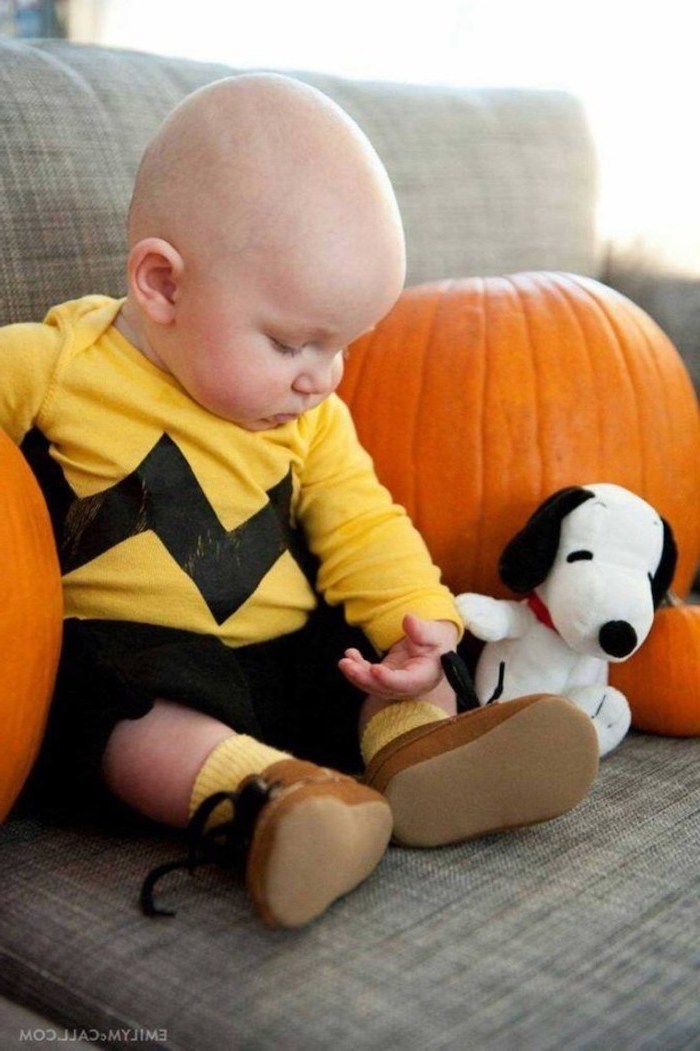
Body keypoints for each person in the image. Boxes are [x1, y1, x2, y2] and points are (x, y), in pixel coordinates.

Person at [0, 74, 599, 928]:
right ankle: (272, 803)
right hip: (146, 665)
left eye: (342, 347)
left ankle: (416, 752)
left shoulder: (312, 416)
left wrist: (417, 623)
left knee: (388, 648)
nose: (321, 377)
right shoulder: (51, 365)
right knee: (103, 700)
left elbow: (363, 522)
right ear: (163, 285)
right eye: (291, 342)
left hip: (288, 657)